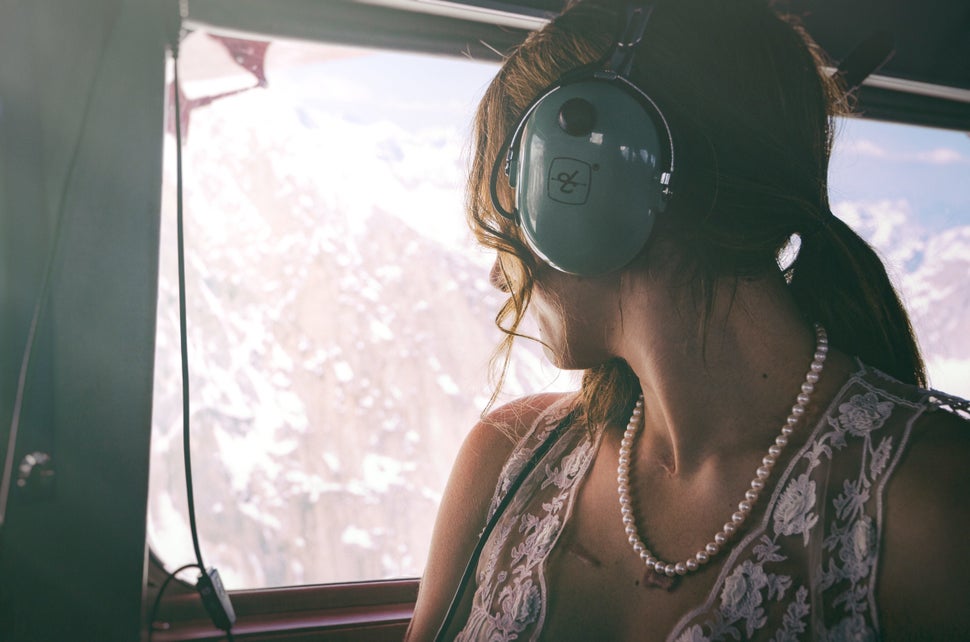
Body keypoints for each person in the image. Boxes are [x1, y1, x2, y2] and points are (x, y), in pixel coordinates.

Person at [406, 0, 970, 639]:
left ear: (591, 180)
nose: (497, 268)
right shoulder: (507, 459)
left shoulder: (935, 512)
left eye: (511, 205)